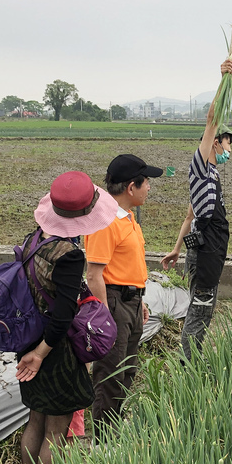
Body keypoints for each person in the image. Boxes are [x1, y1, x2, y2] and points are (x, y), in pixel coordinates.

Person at [16, 171, 118, 464]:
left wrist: (32, 352)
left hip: (29, 337)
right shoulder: (70, 256)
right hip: (53, 348)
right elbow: (62, 317)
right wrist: (40, 355)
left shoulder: (35, 240)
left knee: (36, 420)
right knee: (56, 432)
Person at [161, 59, 232, 360]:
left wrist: (177, 249)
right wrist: (223, 81)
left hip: (206, 250)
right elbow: (211, 120)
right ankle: (187, 365)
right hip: (205, 254)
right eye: (229, 142)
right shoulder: (201, 168)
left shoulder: (214, 177)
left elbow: (190, 216)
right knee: (201, 310)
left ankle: (192, 358)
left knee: (204, 309)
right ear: (216, 143)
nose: (231, 148)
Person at [85, 154, 163, 434]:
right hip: (114, 305)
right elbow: (94, 274)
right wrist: (104, 316)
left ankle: (114, 430)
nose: (149, 188)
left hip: (131, 302)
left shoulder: (127, 218)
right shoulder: (105, 222)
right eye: (147, 183)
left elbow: (128, 266)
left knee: (127, 370)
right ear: (131, 187)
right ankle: (103, 442)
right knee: (110, 375)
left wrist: (139, 299)